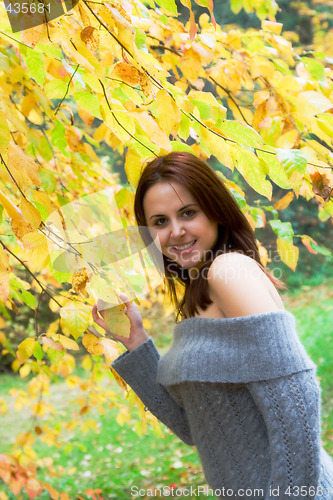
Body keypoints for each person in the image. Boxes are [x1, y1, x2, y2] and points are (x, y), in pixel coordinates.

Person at [92, 152, 333, 499]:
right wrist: (137, 341)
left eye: (188, 213)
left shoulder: (227, 271)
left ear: (215, 210)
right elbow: (197, 426)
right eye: (159, 222)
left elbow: (296, 399)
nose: (175, 231)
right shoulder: (201, 292)